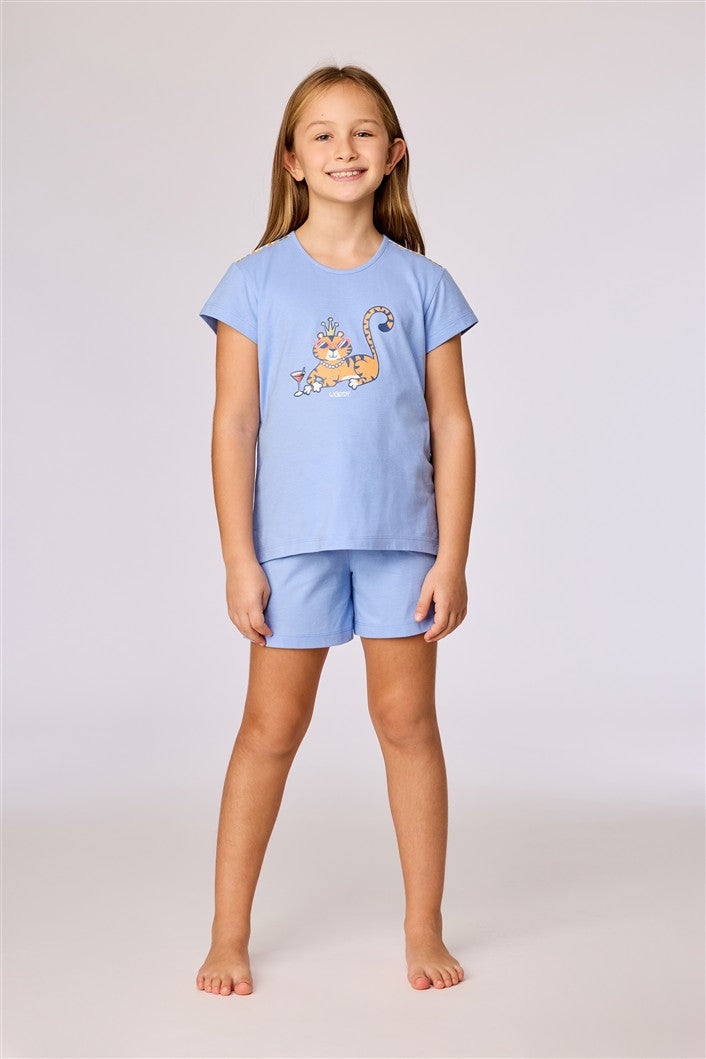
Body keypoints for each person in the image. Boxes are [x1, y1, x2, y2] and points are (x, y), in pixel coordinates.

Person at [195, 64, 479, 997]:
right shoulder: (254, 282)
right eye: (322, 134)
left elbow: (452, 426)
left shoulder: (424, 282)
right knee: (270, 729)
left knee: (408, 723)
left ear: (393, 154)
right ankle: (229, 934)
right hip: (291, 544)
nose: (343, 148)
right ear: (292, 160)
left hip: (402, 541)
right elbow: (235, 425)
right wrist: (239, 557)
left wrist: (452, 556)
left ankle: (424, 925)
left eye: (363, 132)